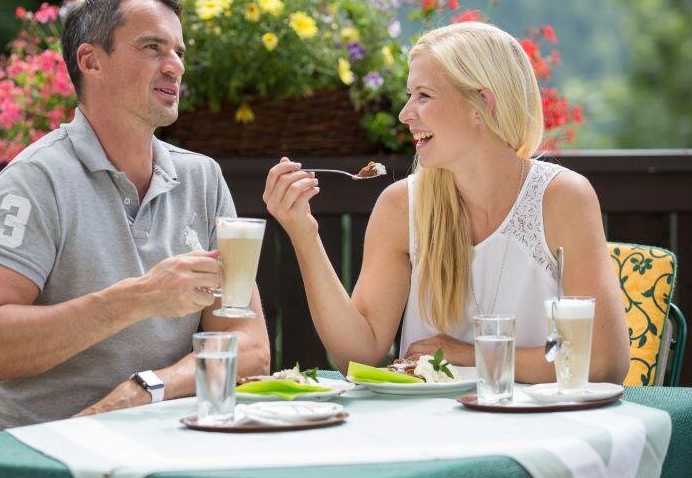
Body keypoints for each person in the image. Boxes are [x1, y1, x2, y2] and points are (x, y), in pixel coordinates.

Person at [0, 0, 270, 435]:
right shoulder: (36, 180)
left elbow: (250, 347)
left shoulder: (202, 178)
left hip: (160, 441)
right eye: (152, 47)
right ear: (91, 61)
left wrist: (145, 390)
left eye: (179, 51)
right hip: (39, 451)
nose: (176, 66)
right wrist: (139, 297)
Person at [263, 22, 629, 384]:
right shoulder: (401, 206)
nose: (405, 113)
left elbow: (604, 361)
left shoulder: (563, 197)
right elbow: (359, 355)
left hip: (535, 418)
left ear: (481, 104)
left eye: (423, 96)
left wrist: (473, 355)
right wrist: (304, 235)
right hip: (426, 421)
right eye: (410, 95)